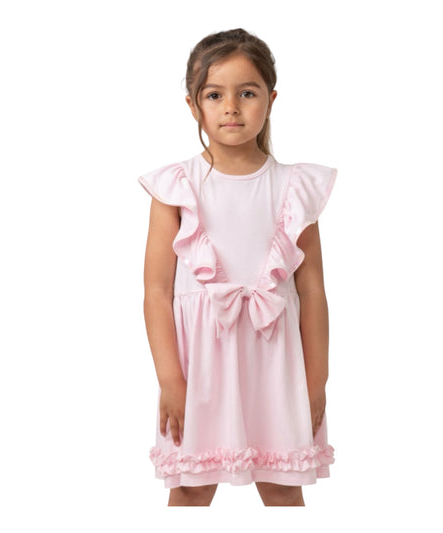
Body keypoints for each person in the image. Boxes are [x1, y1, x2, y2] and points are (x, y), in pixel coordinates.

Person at [138, 28, 337, 506]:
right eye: (215, 95)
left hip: (275, 364)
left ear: (270, 100)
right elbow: (157, 292)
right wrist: (169, 379)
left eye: (246, 93)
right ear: (193, 106)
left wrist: (316, 380)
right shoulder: (176, 187)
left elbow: (312, 292)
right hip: (199, 367)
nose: (231, 107)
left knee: (282, 487)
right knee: (191, 488)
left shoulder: (295, 189)